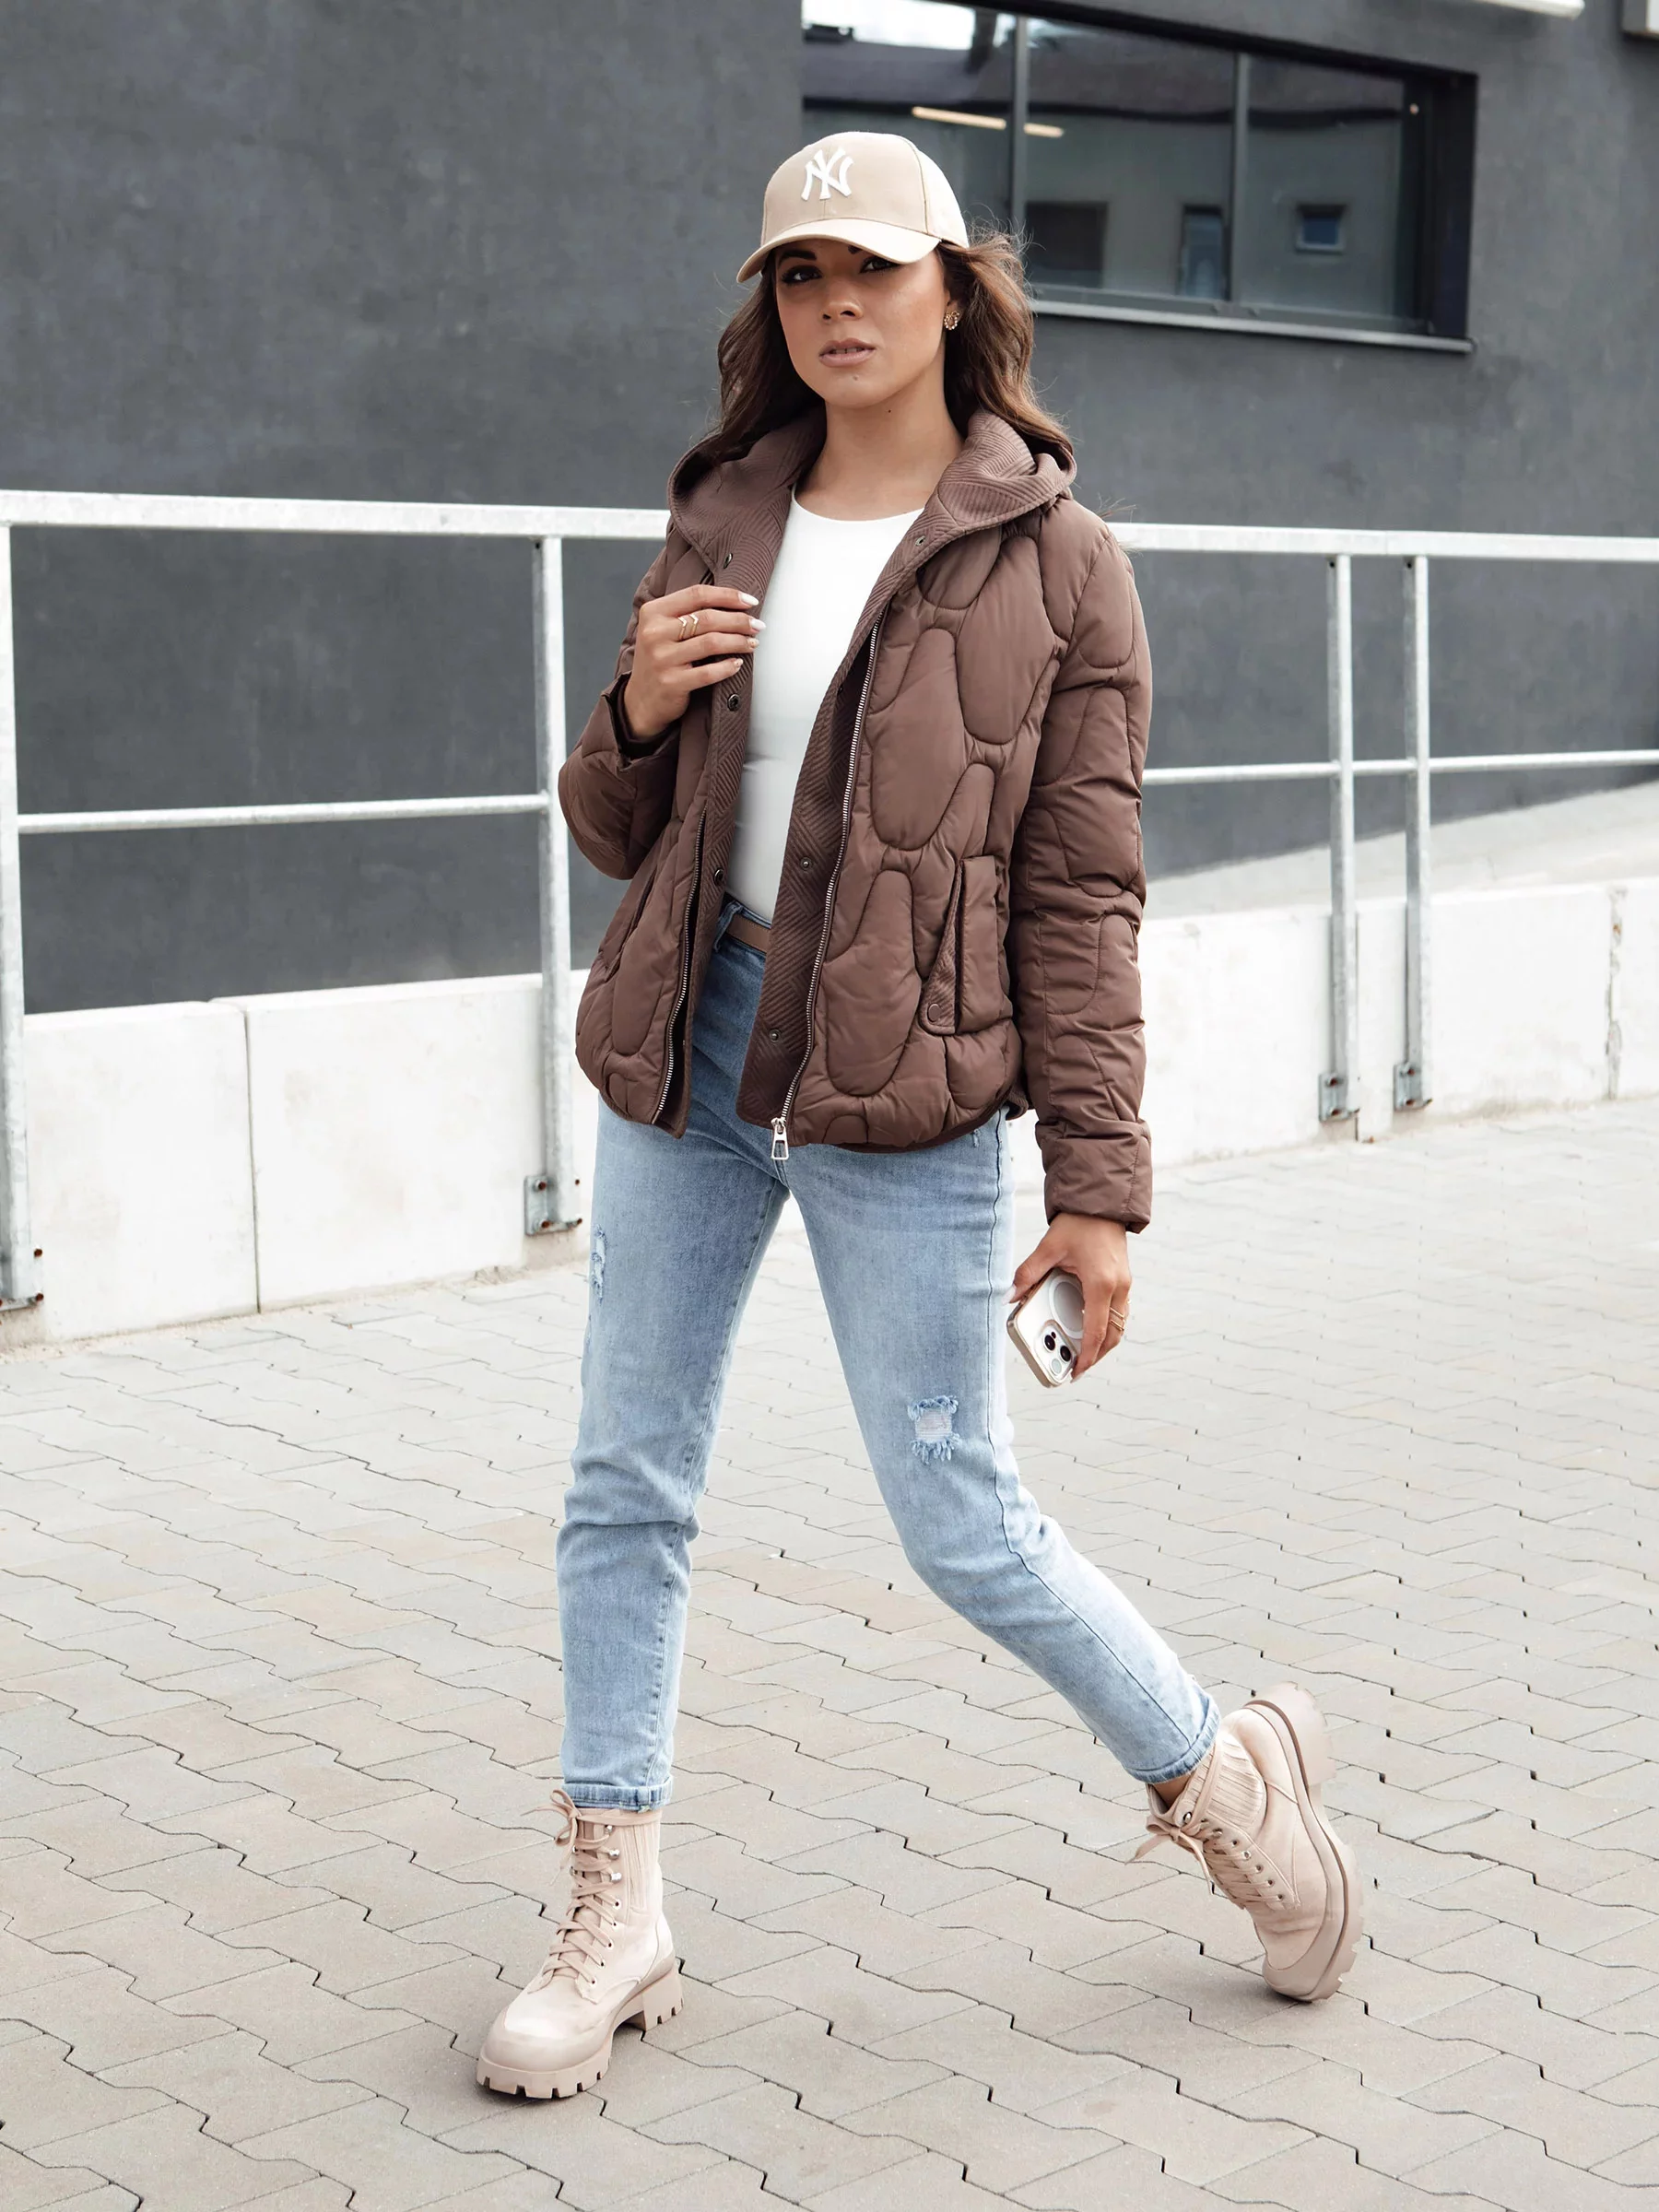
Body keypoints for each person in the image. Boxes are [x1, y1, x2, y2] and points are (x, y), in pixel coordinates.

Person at [477, 132, 1359, 2102]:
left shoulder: (1062, 564)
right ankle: (615, 1914)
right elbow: (616, 830)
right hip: (692, 1053)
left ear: (958, 287)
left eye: (872, 270)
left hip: (907, 1092)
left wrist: (1099, 1190)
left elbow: (1082, 895)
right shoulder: (724, 509)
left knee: (958, 1515)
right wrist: (630, 708)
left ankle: (1228, 1786)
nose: (836, 306)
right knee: (624, 1483)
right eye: (800, 278)